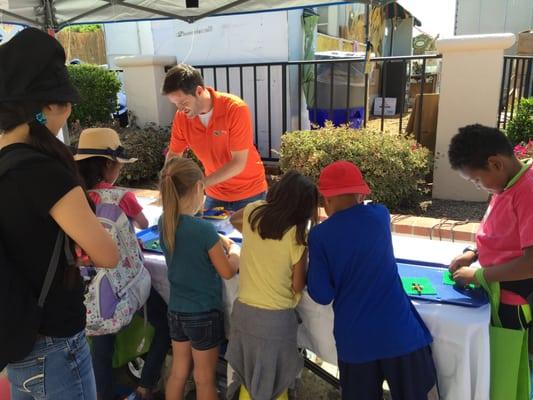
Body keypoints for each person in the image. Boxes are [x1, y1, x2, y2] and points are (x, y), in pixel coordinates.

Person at [0, 28, 119, 400]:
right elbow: (108, 255)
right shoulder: (44, 171)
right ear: (47, 105)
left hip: (15, 334)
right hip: (52, 341)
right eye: (65, 101)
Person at [307, 161, 438, 400]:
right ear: (360, 194)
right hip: (401, 334)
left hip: (355, 343)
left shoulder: (319, 236)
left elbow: (322, 294)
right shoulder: (380, 216)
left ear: (325, 198)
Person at [74, 128, 170, 400]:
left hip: (92, 289)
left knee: (101, 347)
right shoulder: (121, 197)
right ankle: (146, 384)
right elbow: (142, 223)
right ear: (108, 165)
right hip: (126, 281)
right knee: (166, 323)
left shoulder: (74, 198)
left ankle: (103, 395)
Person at [226, 170, 318, 400]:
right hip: (276, 323)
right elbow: (297, 286)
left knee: (247, 377)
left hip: (244, 316)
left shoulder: (254, 213)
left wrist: (253, 233)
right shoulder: (297, 234)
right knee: (276, 384)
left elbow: (233, 219)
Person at [159, 157, 240, 400]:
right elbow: (227, 271)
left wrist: (218, 240)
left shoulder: (165, 223)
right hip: (203, 314)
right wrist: (235, 251)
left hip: (176, 312)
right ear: (197, 188)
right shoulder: (203, 230)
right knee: (204, 379)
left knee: (178, 373)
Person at [448, 125, 533, 327]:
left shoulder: (527, 191)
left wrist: (479, 275)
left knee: (506, 356)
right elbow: (502, 232)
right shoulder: (507, 183)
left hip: (516, 298)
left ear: (495, 164)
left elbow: (530, 264)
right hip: (499, 288)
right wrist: (474, 252)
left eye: (477, 180)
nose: (479, 186)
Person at [162, 64, 267, 212]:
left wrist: (199, 185)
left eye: (183, 102)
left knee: (247, 236)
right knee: (210, 235)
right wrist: (167, 181)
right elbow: (174, 155)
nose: (179, 109)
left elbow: (238, 163)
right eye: (175, 104)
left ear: (199, 91)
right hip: (214, 192)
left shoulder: (235, 109)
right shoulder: (182, 117)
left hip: (249, 192)